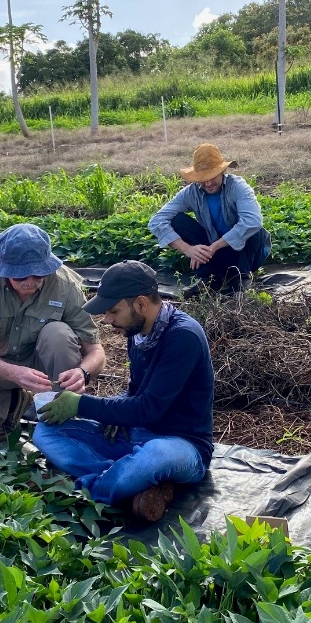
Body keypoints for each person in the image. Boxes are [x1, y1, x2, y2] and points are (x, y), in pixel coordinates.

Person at [32, 260, 214, 522]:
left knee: (154, 457)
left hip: (182, 445)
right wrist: (115, 410)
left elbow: (149, 408)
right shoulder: (138, 332)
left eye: (113, 311)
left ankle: (85, 491)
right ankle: (131, 486)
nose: (108, 320)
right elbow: (135, 391)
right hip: (137, 433)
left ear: (140, 304)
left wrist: (80, 404)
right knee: (46, 431)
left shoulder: (183, 337)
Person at [0, 223, 106, 443]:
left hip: (46, 366)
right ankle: (12, 411)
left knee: (58, 333)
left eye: (38, 274)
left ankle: (61, 422)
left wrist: (83, 372)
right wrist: (14, 373)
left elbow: (96, 351)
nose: (29, 282)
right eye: (19, 276)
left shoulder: (65, 285)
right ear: (4, 268)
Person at [148, 143, 271, 294]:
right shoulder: (190, 193)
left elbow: (253, 221)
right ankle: (209, 278)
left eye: (212, 176)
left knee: (253, 228)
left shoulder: (238, 186)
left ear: (222, 171)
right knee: (177, 220)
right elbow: (156, 220)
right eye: (202, 178)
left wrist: (214, 247)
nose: (208, 183)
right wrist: (188, 249)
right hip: (212, 255)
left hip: (244, 253)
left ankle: (241, 278)